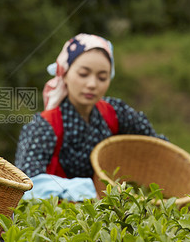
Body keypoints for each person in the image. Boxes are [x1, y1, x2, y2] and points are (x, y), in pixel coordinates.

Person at [15, 34, 169, 201]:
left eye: (102, 77)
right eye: (83, 74)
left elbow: (157, 148)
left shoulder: (116, 112)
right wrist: (82, 191)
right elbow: (25, 183)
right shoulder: (43, 126)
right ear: (65, 73)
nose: (92, 84)